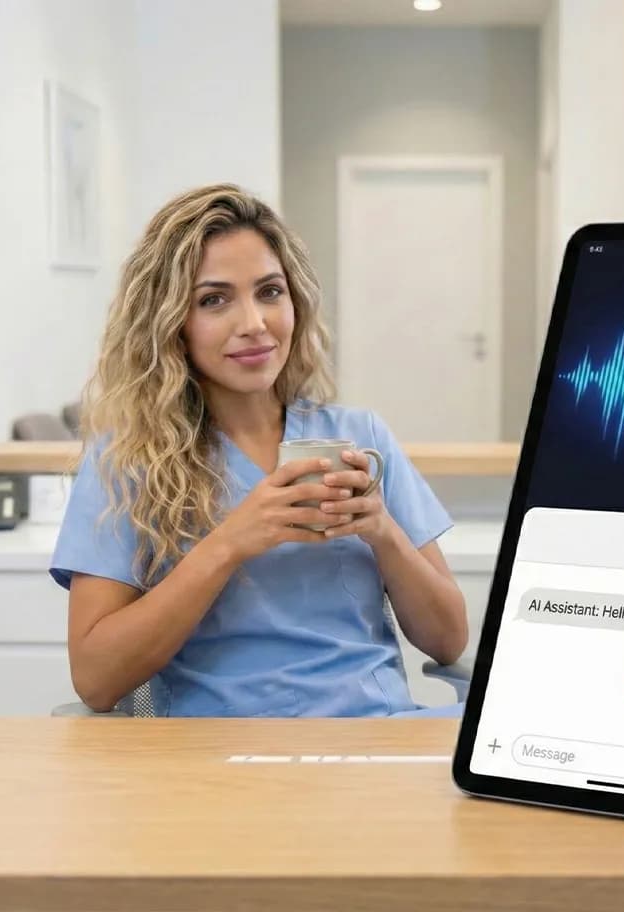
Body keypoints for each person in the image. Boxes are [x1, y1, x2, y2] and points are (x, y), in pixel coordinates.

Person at [49, 184, 468, 718]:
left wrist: (382, 531)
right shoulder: (128, 463)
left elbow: (449, 641)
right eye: (214, 300)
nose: (254, 323)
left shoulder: (361, 436)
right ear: (171, 323)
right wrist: (229, 544)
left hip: (378, 740)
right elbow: (97, 679)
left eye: (270, 291)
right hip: (222, 761)